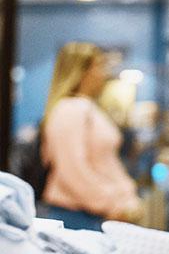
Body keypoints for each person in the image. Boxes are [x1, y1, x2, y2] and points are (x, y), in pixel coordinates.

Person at [38, 41, 143, 231]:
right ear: (82, 71)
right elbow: (72, 171)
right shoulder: (70, 109)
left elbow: (107, 164)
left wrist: (127, 197)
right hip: (77, 217)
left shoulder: (88, 108)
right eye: (99, 66)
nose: (105, 73)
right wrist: (112, 205)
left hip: (95, 215)